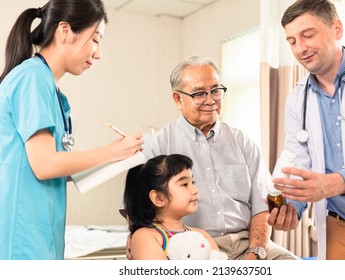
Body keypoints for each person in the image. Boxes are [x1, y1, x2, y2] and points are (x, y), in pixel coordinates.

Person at [0, 0, 144, 260]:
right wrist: (112, 151)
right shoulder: (32, 77)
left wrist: (121, 158)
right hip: (20, 233)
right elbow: (44, 165)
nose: (98, 53)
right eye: (96, 40)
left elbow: (51, 168)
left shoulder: (53, 92)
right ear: (65, 31)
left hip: (42, 232)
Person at [124, 56, 299, 260]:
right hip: (192, 246)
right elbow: (134, 203)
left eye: (216, 90)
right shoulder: (158, 145)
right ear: (178, 99)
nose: (210, 100)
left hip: (249, 243)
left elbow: (262, 206)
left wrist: (255, 252)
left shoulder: (242, 142)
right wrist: (137, 236)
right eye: (199, 93)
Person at [267, 0, 345, 260]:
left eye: (307, 35)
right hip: (338, 226)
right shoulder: (297, 98)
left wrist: (336, 183)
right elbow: (298, 160)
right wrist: (293, 206)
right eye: (291, 41)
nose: (300, 48)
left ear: (336, 29)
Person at [123, 154, 222, 260]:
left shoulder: (202, 235)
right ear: (158, 198)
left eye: (192, 182)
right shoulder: (144, 237)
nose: (195, 190)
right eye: (184, 184)